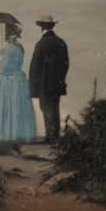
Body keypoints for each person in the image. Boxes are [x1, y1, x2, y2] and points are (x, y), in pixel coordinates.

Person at [0, 22, 37, 142]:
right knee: (16, 106)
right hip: (18, 79)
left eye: (10, 34)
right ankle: (17, 132)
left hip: (9, 79)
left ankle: (9, 132)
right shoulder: (19, 47)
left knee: (9, 105)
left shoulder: (10, 49)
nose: (10, 37)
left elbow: (5, 68)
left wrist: (1, 58)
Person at [29, 14, 69, 144]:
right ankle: (55, 136)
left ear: (42, 28)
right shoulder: (61, 42)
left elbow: (35, 67)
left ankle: (50, 137)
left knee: (46, 108)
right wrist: (61, 78)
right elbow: (66, 64)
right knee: (55, 108)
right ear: (52, 26)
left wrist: (33, 86)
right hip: (58, 83)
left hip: (44, 83)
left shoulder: (41, 44)